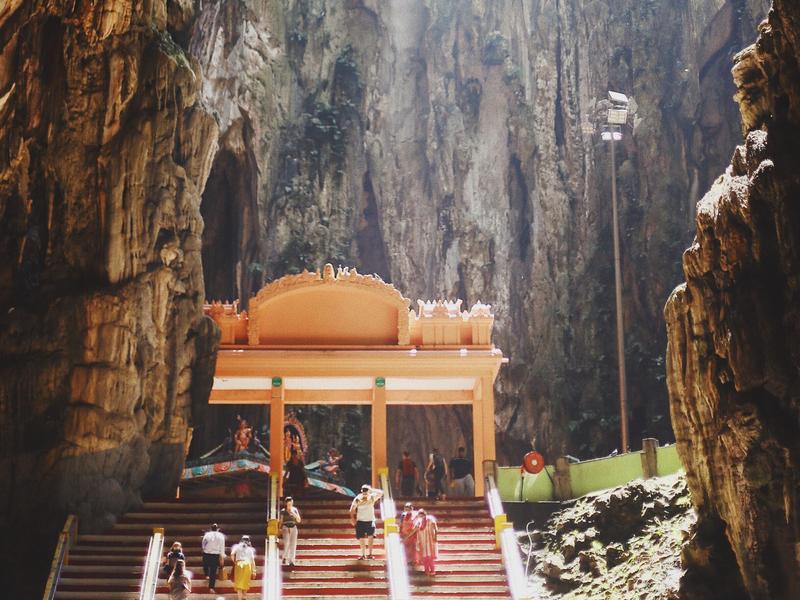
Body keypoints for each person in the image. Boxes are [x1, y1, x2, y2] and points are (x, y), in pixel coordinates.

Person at [349, 484, 384, 560]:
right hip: (360, 521)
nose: (364, 491)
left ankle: (370, 554)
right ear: (361, 490)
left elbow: (381, 493)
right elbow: (352, 509)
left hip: (370, 520)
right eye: (363, 490)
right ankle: (363, 554)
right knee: (361, 538)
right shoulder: (358, 498)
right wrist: (352, 518)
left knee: (370, 537)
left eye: (365, 490)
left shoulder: (371, 497)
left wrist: (371, 490)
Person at [201, 523, 225, 594]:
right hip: (215, 555)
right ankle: (211, 587)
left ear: (211, 528)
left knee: (205, 566)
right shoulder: (221, 536)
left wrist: (203, 549)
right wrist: (222, 557)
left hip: (207, 553)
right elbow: (222, 547)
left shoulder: (207, 535)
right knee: (213, 572)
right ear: (217, 529)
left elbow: (204, 543)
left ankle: (206, 575)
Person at [231, 535, 257, 600]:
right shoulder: (250, 549)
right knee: (245, 582)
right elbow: (252, 561)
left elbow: (232, 554)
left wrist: (234, 561)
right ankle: (244, 596)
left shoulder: (236, 546)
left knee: (238, 583)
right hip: (247, 564)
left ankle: (239, 598)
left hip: (239, 564)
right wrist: (254, 571)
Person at [414, 508, 439, 575]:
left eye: (422, 513)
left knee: (430, 557)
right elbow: (415, 530)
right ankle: (427, 571)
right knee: (424, 557)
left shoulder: (430, 519)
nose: (421, 515)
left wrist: (435, 537)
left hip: (430, 540)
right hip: (422, 541)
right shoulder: (419, 521)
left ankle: (433, 570)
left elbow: (435, 528)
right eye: (420, 514)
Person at [279, 496, 302, 566]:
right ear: (286, 504)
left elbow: (299, 520)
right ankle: (285, 557)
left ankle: (291, 560)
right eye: (288, 504)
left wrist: (293, 513)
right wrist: (279, 529)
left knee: (293, 544)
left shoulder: (294, 509)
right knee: (287, 543)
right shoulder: (283, 511)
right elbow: (281, 521)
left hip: (293, 527)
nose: (290, 505)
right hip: (286, 527)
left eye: (291, 503)